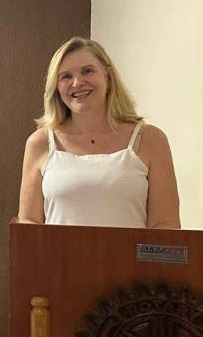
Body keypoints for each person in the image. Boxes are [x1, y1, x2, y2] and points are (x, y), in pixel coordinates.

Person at [17, 37, 180, 228]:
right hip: (56, 251)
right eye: (66, 76)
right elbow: (28, 224)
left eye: (87, 71)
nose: (77, 83)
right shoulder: (39, 143)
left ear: (108, 78)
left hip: (129, 251)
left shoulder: (151, 140)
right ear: (56, 87)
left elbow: (165, 226)